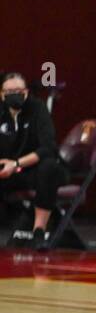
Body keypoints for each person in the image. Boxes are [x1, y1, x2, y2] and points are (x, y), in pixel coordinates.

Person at [0, 72, 68, 251]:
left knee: (49, 168)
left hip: (35, 168)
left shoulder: (38, 109)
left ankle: (39, 231)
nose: (14, 94)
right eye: (9, 91)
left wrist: (16, 164)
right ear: (1, 94)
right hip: (8, 170)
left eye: (18, 90)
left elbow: (48, 148)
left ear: (26, 92)